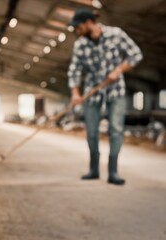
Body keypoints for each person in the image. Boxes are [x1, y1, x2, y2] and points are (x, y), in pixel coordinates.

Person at [67, 8, 143, 185]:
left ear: (88, 23)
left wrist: (118, 70)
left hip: (115, 89)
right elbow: (74, 70)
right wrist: (75, 93)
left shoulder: (116, 34)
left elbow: (135, 54)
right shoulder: (80, 44)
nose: (76, 31)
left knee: (115, 130)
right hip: (92, 91)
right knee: (91, 132)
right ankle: (93, 169)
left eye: (78, 27)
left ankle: (113, 171)